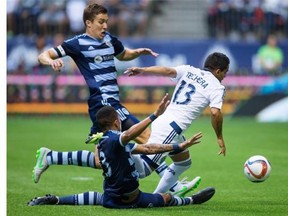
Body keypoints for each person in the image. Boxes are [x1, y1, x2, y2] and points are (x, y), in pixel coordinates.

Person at [28, 95, 216, 208]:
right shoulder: (115, 139)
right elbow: (138, 141)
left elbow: (145, 148)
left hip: (110, 199)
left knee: (97, 197)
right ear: (116, 121)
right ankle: (190, 199)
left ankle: (56, 198)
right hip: (131, 200)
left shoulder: (102, 141)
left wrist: (177, 147)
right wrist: (154, 115)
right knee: (165, 198)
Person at [37, 3, 158, 144]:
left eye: (106, 22)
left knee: (101, 159)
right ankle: (165, 167)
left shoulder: (109, 40)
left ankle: (51, 157)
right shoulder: (77, 43)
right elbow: (43, 56)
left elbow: (123, 54)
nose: (105, 26)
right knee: (148, 139)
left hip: (106, 103)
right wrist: (51, 62)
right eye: (101, 22)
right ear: (88, 23)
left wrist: (138, 52)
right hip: (105, 102)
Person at [124, 52, 229, 194]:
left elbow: (167, 70)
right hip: (171, 129)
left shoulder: (189, 70)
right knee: (144, 170)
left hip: (165, 122)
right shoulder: (217, 87)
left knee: (183, 163)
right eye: (225, 72)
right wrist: (219, 137)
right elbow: (215, 112)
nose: (225, 76)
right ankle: (124, 149)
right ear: (217, 71)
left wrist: (144, 70)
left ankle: (158, 196)